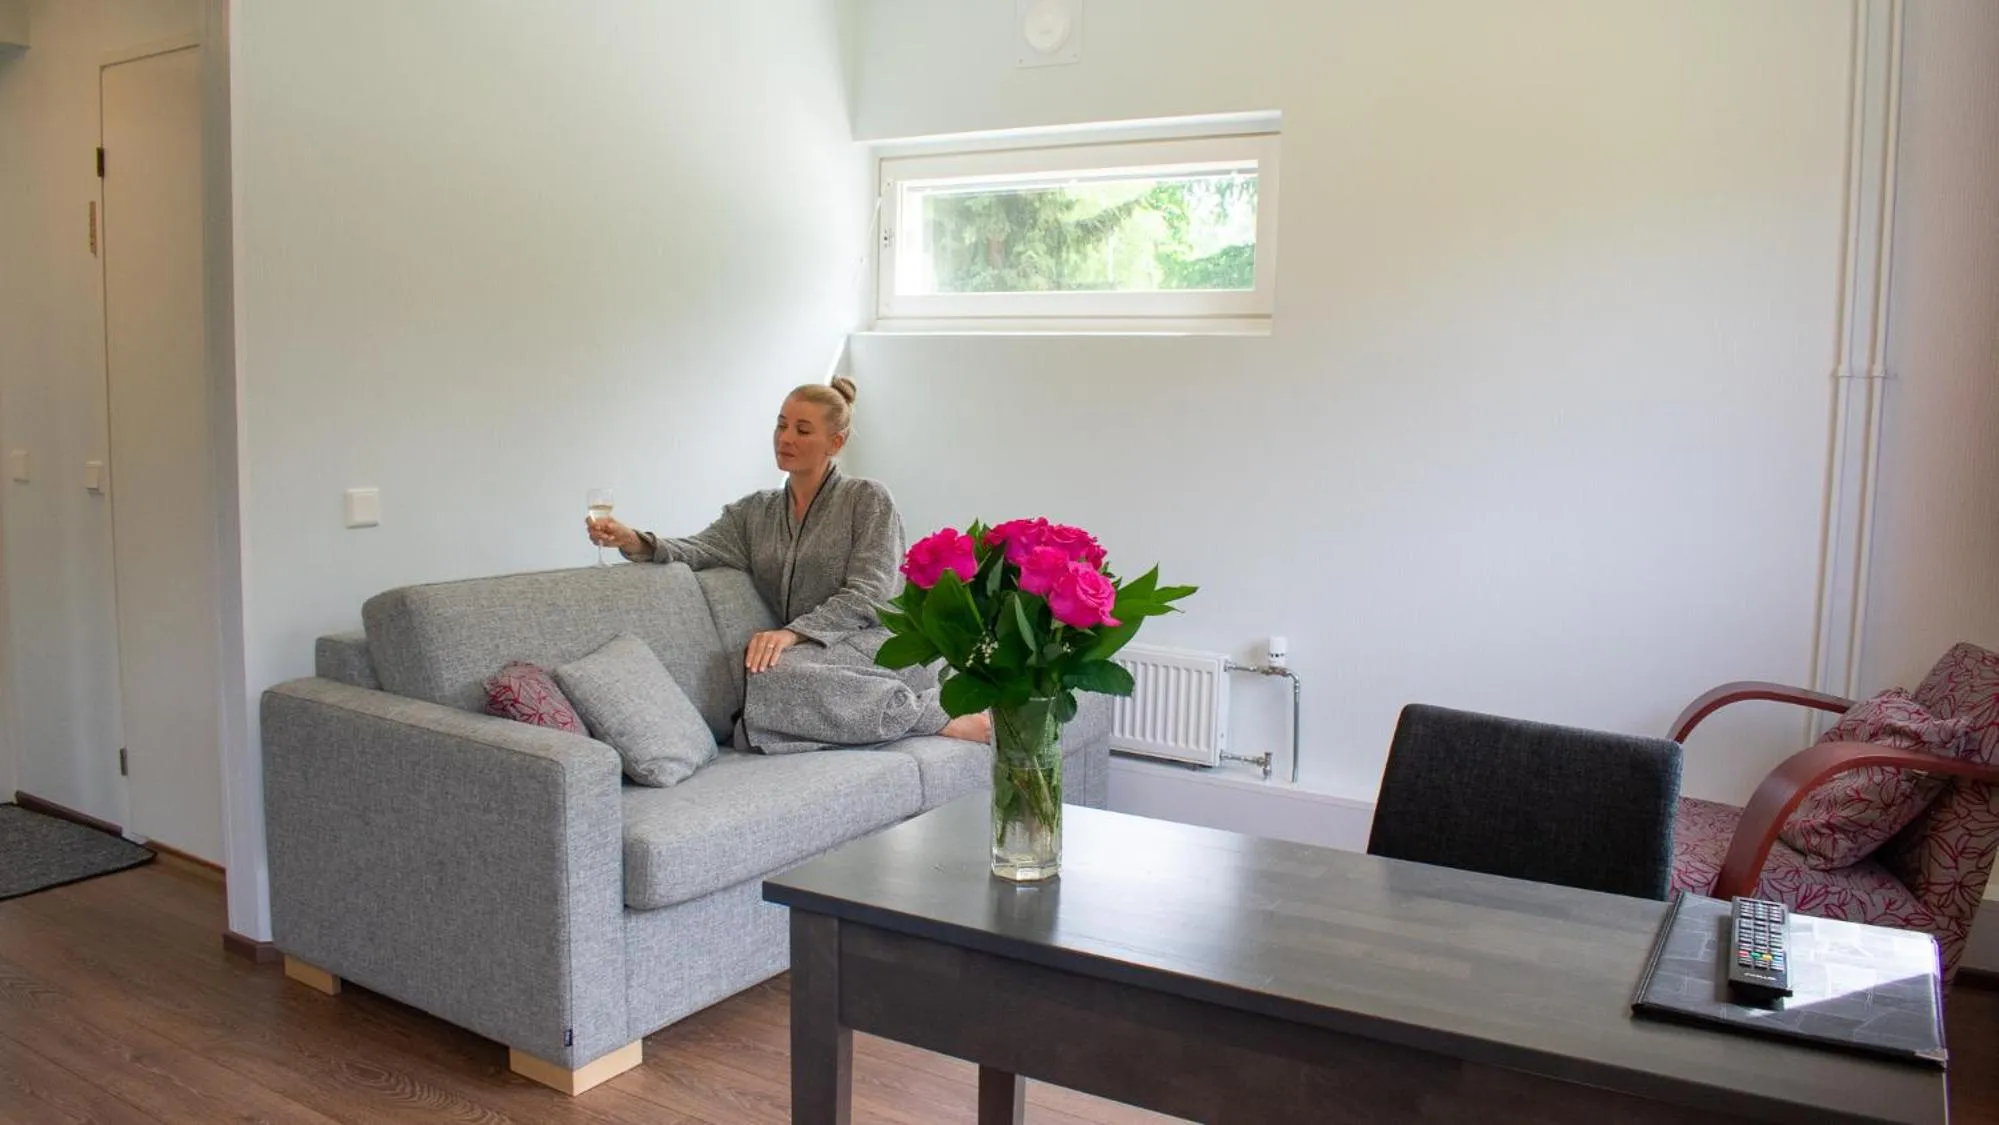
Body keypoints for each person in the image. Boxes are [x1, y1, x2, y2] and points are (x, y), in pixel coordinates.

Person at [586, 377, 992, 753]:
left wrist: (793, 634)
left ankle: (930, 717)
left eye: (802, 429)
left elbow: (871, 594)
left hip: (880, 643)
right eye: (781, 425)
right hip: (817, 659)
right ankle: (798, 722)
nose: (785, 438)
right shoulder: (755, 512)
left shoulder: (867, 499)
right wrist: (634, 540)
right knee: (762, 674)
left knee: (774, 673)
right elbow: (698, 548)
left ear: (835, 442)